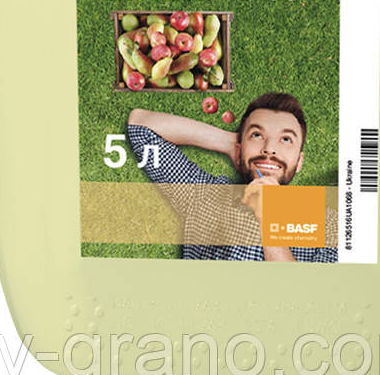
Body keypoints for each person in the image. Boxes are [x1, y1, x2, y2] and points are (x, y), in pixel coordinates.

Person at [127, 92, 337, 262]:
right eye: (257, 135)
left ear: (299, 161)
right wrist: (231, 144)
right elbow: (141, 127)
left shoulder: (329, 224)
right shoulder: (205, 194)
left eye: (286, 139)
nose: (269, 148)